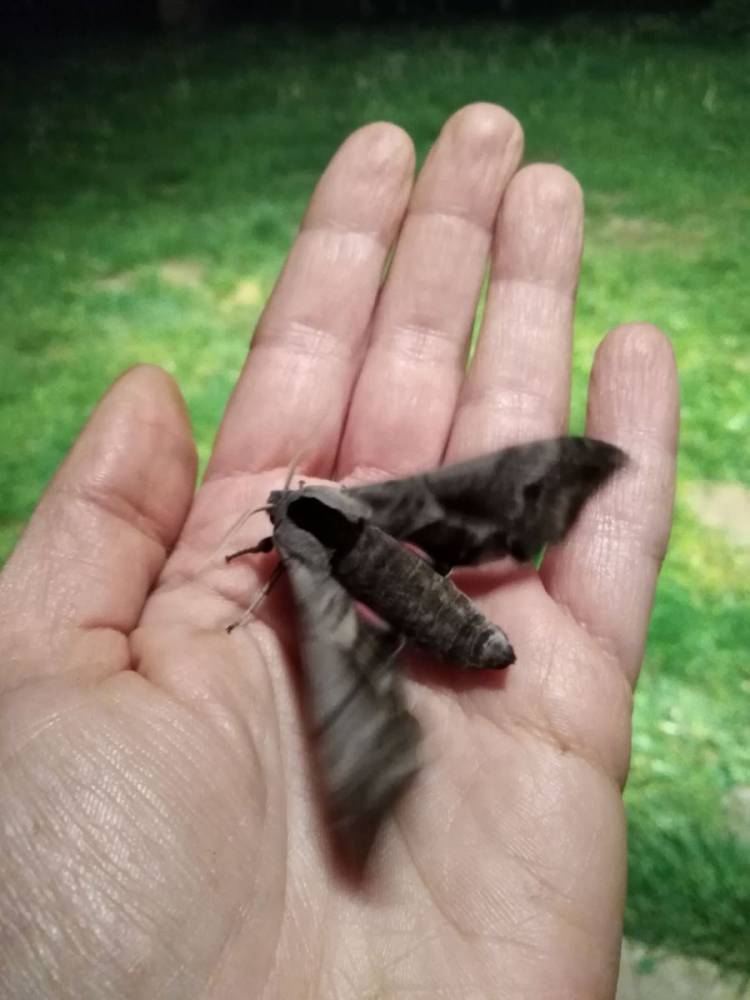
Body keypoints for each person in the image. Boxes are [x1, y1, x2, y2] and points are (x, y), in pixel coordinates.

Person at [0, 103, 678, 998]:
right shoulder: (354, 522)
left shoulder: (298, 564)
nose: (284, 505)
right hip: (450, 611)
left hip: (450, 625)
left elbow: (274, 568)